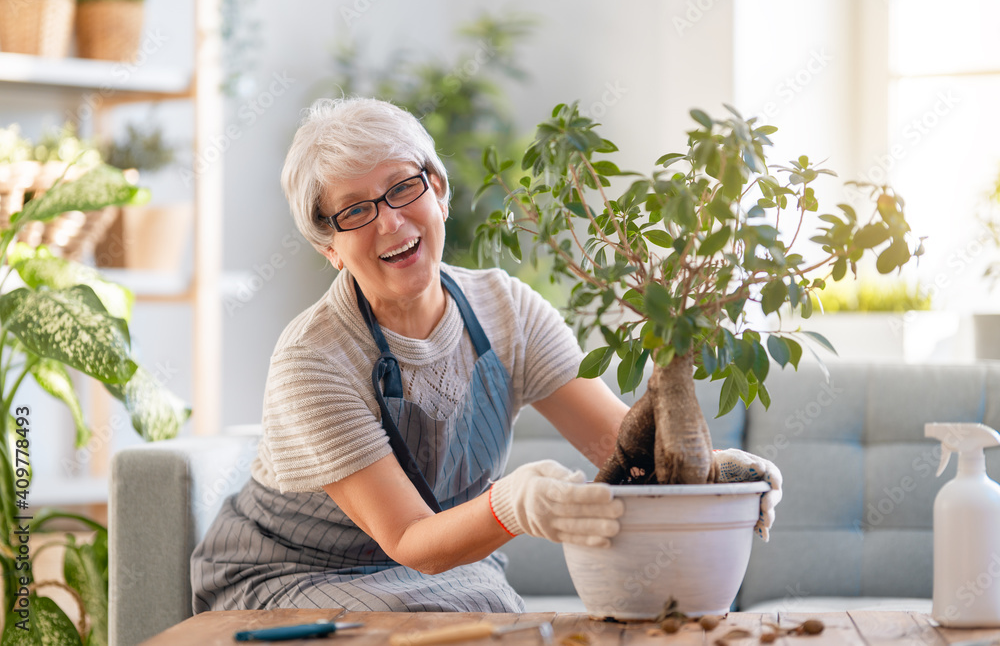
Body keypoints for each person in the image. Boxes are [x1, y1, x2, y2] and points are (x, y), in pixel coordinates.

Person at [190, 97, 781, 613]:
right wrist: (511, 504)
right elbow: (411, 539)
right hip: (292, 577)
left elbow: (620, 451)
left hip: (445, 576)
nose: (390, 222)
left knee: (485, 606)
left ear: (439, 191)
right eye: (355, 210)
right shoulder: (313, 358)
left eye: (402, 188)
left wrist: (714, 475)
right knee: (438, 614)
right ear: (331, 247)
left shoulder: (507, 310)